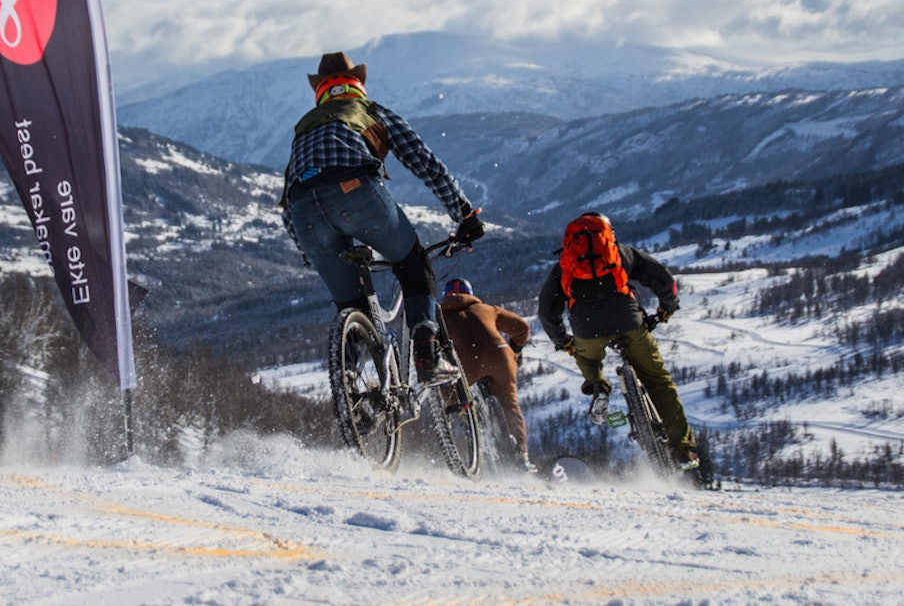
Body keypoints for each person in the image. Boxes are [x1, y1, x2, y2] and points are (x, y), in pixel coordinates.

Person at [281, 51, 486, 384]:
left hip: (304, 214)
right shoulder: (369, 111)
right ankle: (427, 354)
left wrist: (311, 252)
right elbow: (424, 161)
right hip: (356, 193)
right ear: (357, 84)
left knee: (350, 303)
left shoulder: (304, 129)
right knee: (412, 263)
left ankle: (348, 386)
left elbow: (289, 199)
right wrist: (463, 213)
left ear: (319, 90)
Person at [537, 212, 699, 469]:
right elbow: (664, 280)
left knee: (587, 357)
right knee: (659, 382)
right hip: (629, 322)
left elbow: (546, 312)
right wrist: (667, 307)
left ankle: (597, 384)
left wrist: (564, 341)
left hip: (586, 329)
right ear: (608, 233)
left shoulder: (565, 265)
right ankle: (683, 448)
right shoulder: (621, 253)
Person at [438, 278, 535, 471]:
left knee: (451, 398)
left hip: (466, 363)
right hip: (499, 356)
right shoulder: (488, 309)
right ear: (471, 293)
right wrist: (515, 350)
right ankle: (521, 453)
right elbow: (522, 328)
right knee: (510, 404)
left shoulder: (440, 317)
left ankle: (470, 419)